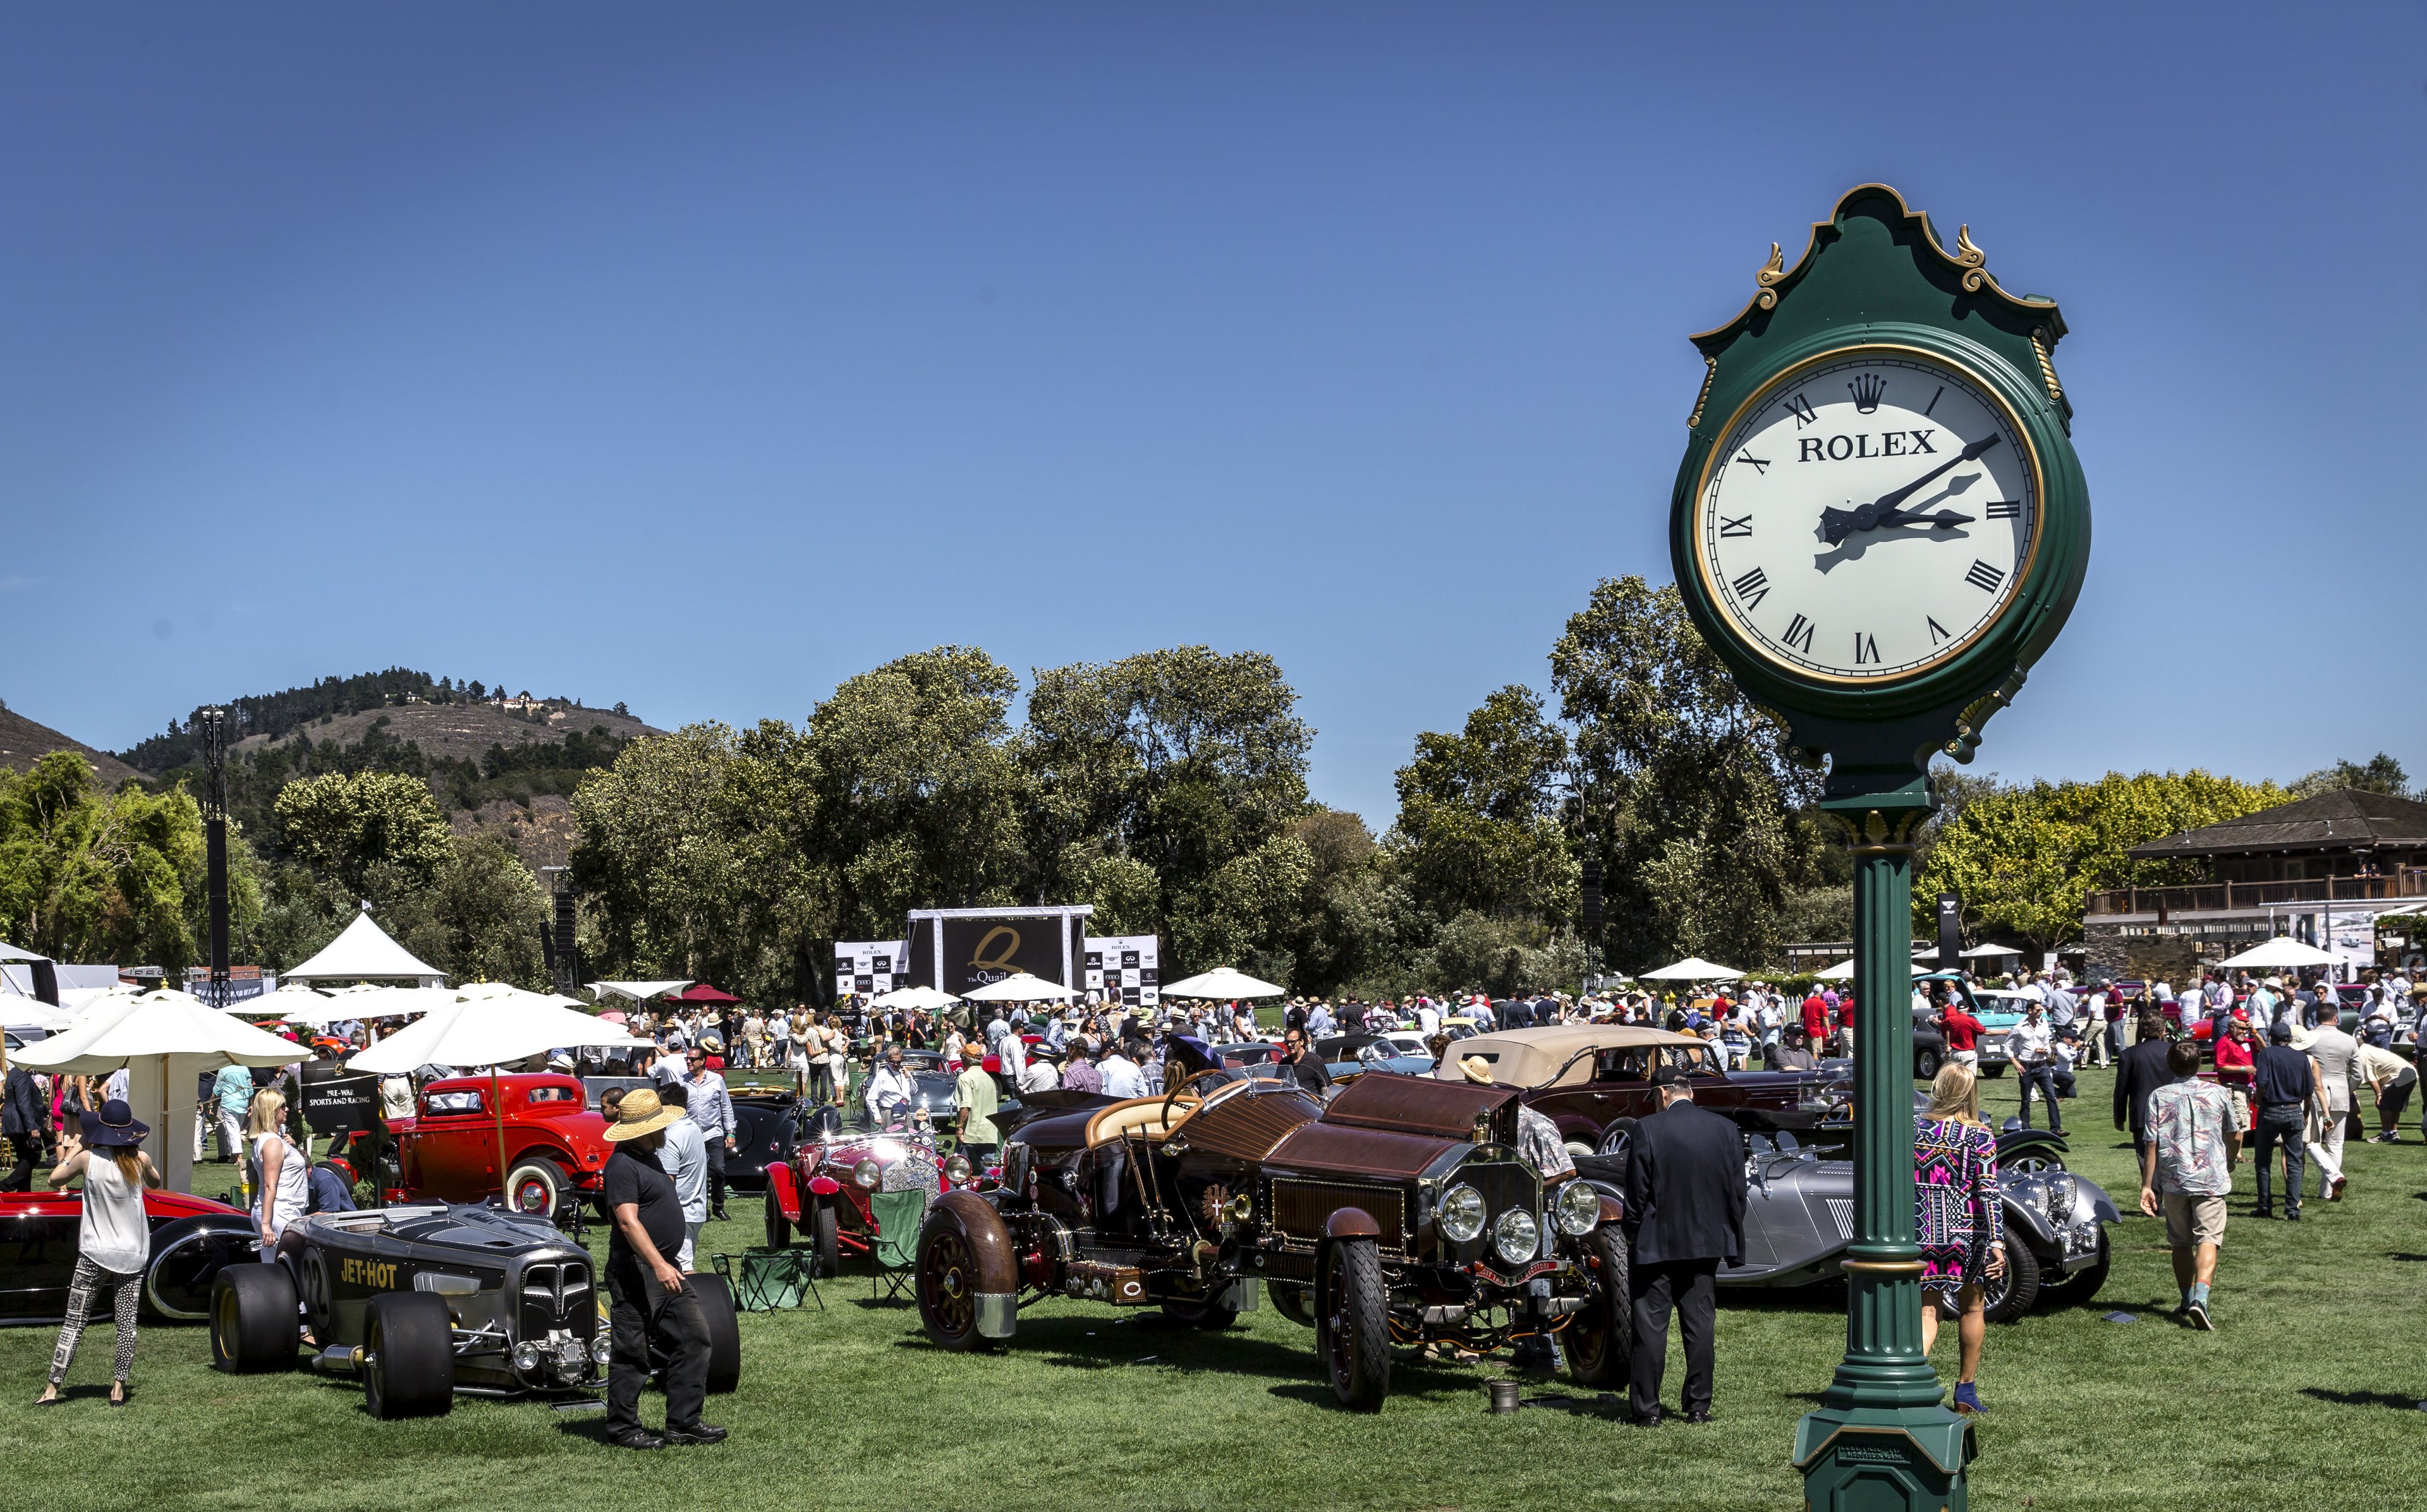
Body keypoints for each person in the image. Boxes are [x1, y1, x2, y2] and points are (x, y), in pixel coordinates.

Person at [1621, 1064, 1746, 1427]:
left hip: (1656, 1244)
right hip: (1705, 1244)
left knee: (1650, 1328)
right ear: (1690, 1092)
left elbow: (1636, 1194)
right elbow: (1736, 1191)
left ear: (1663, 1094)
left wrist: (1631, 1232)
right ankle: (1698, 1406)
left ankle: (1646, 1410)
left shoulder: (1648, 1128)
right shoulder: (1724, 1129)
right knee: (1700, 1327)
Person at [598, 1087, 722, 1449]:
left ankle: (684, 1423)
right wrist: (659, 1265)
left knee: (695, 1339)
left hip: (667, 1268)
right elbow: (627, 1222)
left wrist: (668, 1263)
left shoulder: (649, 1156)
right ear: (644, 1130)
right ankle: (623, 1428)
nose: (666, 1129)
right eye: (659, 1125)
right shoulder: (621, 1165)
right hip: (638, 1271)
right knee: (632, 1351)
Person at [34, 1100, 163, 1407]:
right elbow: (156, 1183)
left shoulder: (88, 1160)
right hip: (132, 1253)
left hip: (94, 1251)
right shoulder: (139, 1158)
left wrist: (76, 1149)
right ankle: (118, 1388)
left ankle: (52, 1388)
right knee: (126, 1322)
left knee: (75, 1320)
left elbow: (54, 1180)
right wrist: (144, 1160)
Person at [1914, 1065, 2004, 1414]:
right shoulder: (1980, 1135)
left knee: (1927, 1311)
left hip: (1924, 1228)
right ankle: (1966, 1390)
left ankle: (1906, 1381)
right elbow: (1988, 1192)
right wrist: (1998, 1241)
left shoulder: (1914, 1128)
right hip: (1971, 1232)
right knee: (1973, 1307)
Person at [2140, 1039, 2240, 1331]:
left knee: (2180, 1243)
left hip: (2174, 1179)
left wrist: (2148, 1185)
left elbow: (2151, 1144)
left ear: (2170, 1064)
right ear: (2200, 1064)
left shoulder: (2159, 1096)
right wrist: (2231, 1160)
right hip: (2211, 1178)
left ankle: (2186, 1299)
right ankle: (2201, 1299)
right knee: (2208, 1239)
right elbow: (2234, 1134)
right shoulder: (2219, 1092)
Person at [2251, 1020, 2320, 1221]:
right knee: (2295, 1162)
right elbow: (2309, 1091)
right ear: (2288, 1038)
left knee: (2263, 1161)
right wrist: (2305, 1114)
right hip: (2293, 1111)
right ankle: (2292, 1209)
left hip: (2270, 1110)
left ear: (2271, 1038)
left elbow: (2261, 1082)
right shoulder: (2302, 1057)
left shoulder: (2266, 1054)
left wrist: (2260, 1101)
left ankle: (2264, 1205)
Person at [2296, 1016, 2357, 1202]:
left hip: (2316, 1093)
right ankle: (2327, 1191)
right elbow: (2358, 1073)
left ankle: (2334, 1175)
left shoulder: (2310, 1037)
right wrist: (2348, 1088)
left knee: (2311, 1141)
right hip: (2340, 1092)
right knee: (2336, 1144)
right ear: (2336, 1018)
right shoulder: (2350, 1039)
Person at [248, 1089, 309, 1258]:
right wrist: (266, 1225)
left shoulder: (271, 1139)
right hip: (280, 1213)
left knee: (274, 1269)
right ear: (271, 1110)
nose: (287, 1109)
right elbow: (269, 1185)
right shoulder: (273, 1143)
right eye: (282, 1106)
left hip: (280, 1212)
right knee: (288, 1270)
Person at [656, 1082, 709, 1271]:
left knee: (684, 1269)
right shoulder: (693, 1127)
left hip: (680, 1212)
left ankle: (695, 1301)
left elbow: (666, 1181)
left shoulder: (671, 1136)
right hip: (695, 1209)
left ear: (669, 1107)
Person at [2113, 1012, 2174, 1161]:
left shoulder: (2129, 1054)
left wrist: (2119, 1117)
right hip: (2173, 1113)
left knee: (2146, 1162)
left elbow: (2121, 1089)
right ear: (2163, 1029)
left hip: (2142, 1115)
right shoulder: (2175, 1051)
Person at [2005, 1003, 2063, 1133]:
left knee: (2051, 1097)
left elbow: (2047, 1045)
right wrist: (2015, 1063)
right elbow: (2006, 1047)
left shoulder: (2043, 1026)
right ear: (2029, 1011)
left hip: (2042, 1066)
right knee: (2026, 1100)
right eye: (2038, 1010)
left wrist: (2045, 1050)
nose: (2040, 1012)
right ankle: (2025, 1129)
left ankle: (2056, 1128)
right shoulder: (2019, 1028)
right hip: (2026, 1067)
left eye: (2041, 1010)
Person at [2353, 1039, 2416, 1143]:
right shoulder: (2368, 1049)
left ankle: (2386, 1134)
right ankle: (2393, 1133)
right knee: (2394, 1106)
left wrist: (2379, 1095)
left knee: (2384, 1104)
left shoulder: (2362, 1055)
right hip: (2409, 1074)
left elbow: (2371, 1078)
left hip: (2401, 1076)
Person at [955, 1042, 1001, 1170]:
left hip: (970, 1134)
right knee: (990, 1173)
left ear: (965, 1059)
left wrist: (959, 1127)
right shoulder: (989, 1079)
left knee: (957, 1171)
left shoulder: (965, 1078)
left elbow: (966, 1106)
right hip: (989, 1134)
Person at [2, 1063, 42, 1192]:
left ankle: (24, 1193)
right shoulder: (21, 1075)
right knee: (33, 1157)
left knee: (24, 1158)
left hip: (15, 1123)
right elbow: (23, 1102)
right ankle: (5, 1185)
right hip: (20, 1123)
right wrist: (32, 1127)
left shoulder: (15, 1073)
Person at [212, 1062, 253, 1164]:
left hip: (229, 1103)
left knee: (233, 1130)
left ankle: (239, 1156)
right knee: (236, 1130)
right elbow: (250, 1089)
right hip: (243, 1103)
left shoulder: (224, 1069)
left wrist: (211, 1101)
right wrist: (251, 1104)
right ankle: (233, 1156)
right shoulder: (245, 1068)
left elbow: (218, 1089)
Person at [863, 1047, 916, 1125]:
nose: (895, 1064)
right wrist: (877, 1116)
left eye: (898, 1062)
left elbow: (914, 1091)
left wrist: (909, 1078)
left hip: (905, 1112)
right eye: (893, 1062)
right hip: (889, 1113)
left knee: (911, 1136)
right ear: (888, 1060)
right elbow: (870, 1099)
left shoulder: (904, 1072)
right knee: (891, 1137)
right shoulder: (882, 1075)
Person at [1279, 1029, 1330, 1098]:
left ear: (1301, 1042)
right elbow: (1278, 1083)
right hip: (1289, 1104)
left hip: (1310, 1104)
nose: (1289, 1045)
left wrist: (1323, 1105)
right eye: (1287, 1042)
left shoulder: (1315, 1060)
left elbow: (1324, 1086)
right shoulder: (1284, 1063)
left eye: (1293, 1042)